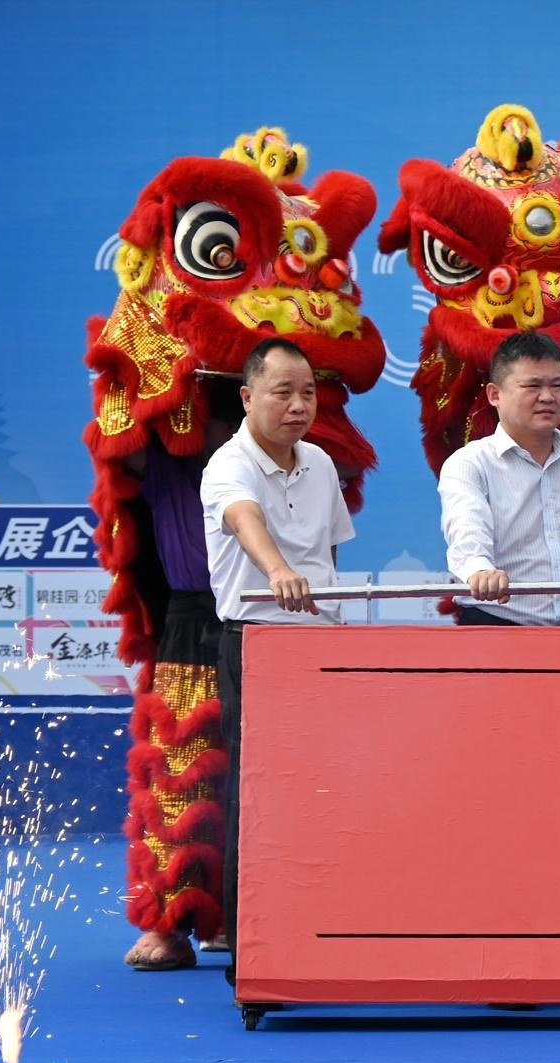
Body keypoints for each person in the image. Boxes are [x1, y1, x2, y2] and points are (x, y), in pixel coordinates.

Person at [199, 337, 355, 978]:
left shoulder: (319, 462)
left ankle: (321, 927)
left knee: (326, 791)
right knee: (255, 798)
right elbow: (245, 520)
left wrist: (329, 615)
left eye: (308, 393)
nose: (298, 406)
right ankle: (252, 947)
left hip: (321, 645)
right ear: (247, 396)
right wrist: (279, 572)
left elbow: (333, 553)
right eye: (282, 392)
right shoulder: (227, 464)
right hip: (257, 641)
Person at [438, 331, 560, 627]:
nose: (547, 397)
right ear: (494, 395)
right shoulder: (469, 464)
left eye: (557, 385)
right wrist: (480, 571)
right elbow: (466, 530)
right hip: (499, 628)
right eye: (532, 386)